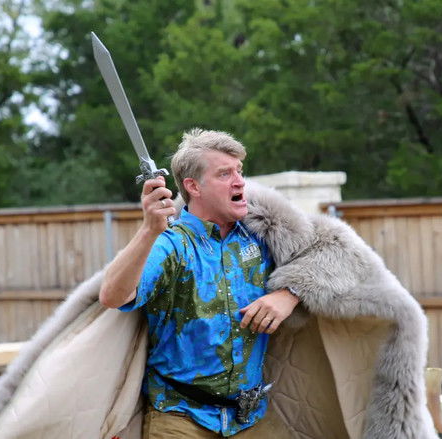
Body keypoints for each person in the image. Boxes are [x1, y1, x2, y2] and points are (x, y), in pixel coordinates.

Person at [99, 128, 300, 438]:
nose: (239, 181)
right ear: (193, 186)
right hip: (180, 419)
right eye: (224, 174)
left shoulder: (264, 234)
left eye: (239, 171)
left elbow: (334, 256)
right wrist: (148, 230)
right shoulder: (170, 245)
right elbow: (113, 296)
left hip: (252, 419)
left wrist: (290, 293)